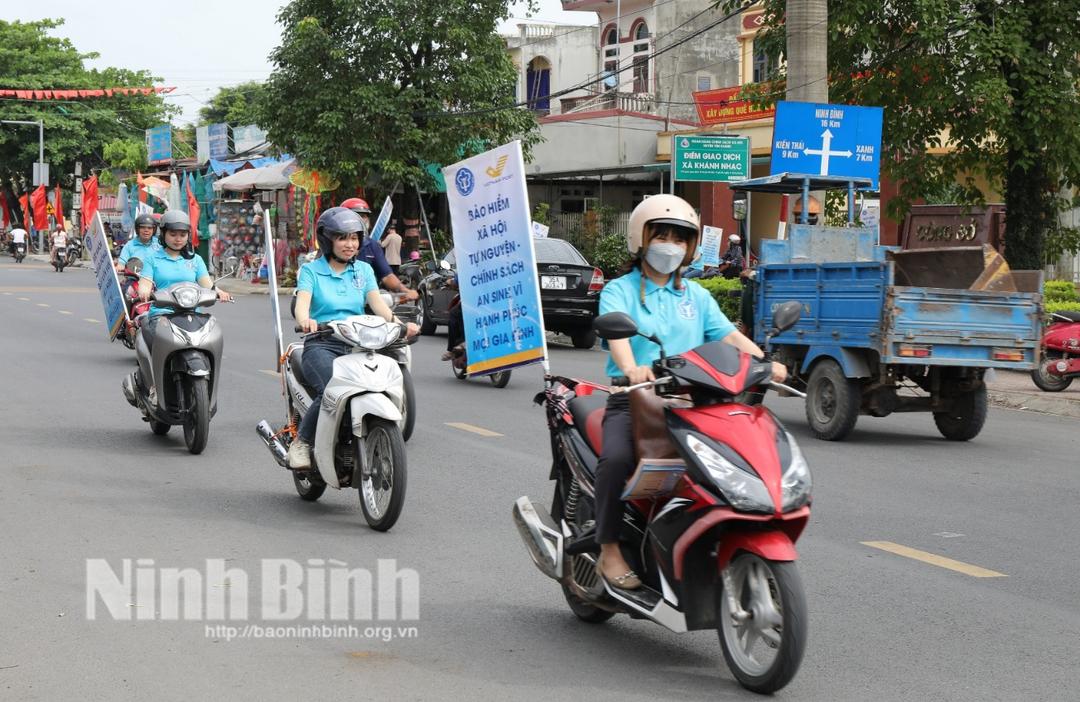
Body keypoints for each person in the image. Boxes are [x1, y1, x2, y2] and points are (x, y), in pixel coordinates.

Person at [592, 194, 787, 590]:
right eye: (662, 237)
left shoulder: (696, 296)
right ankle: (608, 548)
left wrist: (765, 363)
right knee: (616, 460)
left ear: (691, 247)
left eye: (680, 239)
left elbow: (729, 335)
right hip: (635, 399)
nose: (671, 247)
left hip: (694, 401)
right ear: (641, 240)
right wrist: (632, 370)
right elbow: (620, 341)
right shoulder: (619, 291)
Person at [287, 207, 419, 470]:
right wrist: (306, 320)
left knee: (377, 383)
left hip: (359, 343)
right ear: (328, 241)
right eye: (342, 238)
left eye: (354, 238)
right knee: (331, 389)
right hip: (322, 342)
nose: (350, 244)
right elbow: (302, 304)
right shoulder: (311, 271)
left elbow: (378, 306)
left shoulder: (364, 271)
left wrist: (399, 324)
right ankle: (301, 442)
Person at [134, 211, 232, 400]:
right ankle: (153, 386)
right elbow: (145, 282)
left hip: (191, 313)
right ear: (163, 234)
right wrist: (144, 291)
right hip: (161, 314)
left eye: (182, 234)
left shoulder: (195, 260)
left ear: (188, 235)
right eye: (173, 234)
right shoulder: (153, 259)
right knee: (156, 342)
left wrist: (218, 291)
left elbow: (207, 283)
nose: (178, 239)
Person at [340, 198, 418, 301]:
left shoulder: (371, 250)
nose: (361, 220)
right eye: (356, 216)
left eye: (364, 216)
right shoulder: (330, 245)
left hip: (367, 301)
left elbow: (386, 275)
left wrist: (404, 290)